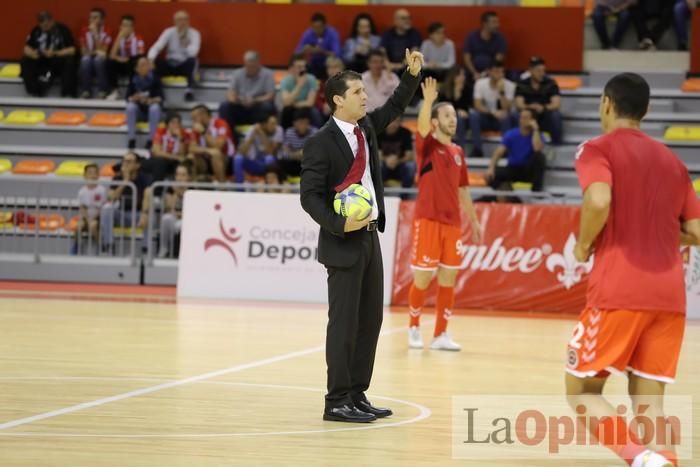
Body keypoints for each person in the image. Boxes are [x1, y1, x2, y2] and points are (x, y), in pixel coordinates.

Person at [565, 72, 700, 467]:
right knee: (648, 400)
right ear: (647, 110)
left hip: (620, 288)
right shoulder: (674, 162)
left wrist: (584, 243)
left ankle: (639, 458)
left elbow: (599, 199)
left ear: (605, 103)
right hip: (670, 295)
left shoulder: (596, 148)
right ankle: (664, 461)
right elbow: (695, 230)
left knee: (582, 392)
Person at [300, 49, 423, 423]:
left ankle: (357, 393)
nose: (366, 97)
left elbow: (393, 108)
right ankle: (336, 400)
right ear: (338, 100)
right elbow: (310, 197)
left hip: (370, 237)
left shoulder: (365, 128)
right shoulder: (320, 142)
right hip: (342, 242)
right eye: (358, 93)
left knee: (370, 321)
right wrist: (339, 225)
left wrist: (411, 75)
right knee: (344, 325)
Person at [407, 77, 482, 351]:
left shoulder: (458, 152)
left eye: (454, 116)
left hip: (453, 225)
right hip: (428, 220)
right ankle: (413, 328)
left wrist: (473, 220)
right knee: (423, 278)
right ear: (436, 122)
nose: (454, 120)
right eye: (447, 115)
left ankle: (440, 335)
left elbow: (463, 189)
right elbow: (423, 126)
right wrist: (427, 102)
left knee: (448, 279)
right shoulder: (427, 147)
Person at [100, 152, 152, 251]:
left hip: (137, 215)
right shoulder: (117, 177)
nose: (125, 164)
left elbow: (147, 194)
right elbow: (111, 198)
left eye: (129, 161)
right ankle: (109, 244)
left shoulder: (145, 177)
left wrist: (144, 213)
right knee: (107, 209)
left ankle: (146, 249)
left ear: (137, 165)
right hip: (121, 214)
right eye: (124, 161)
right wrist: (125, 181)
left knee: (149, 216)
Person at [486, 108, 546, 192]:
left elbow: (537, 148)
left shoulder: (538, 135)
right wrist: (491, 167)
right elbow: (499, 152)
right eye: (521, 117)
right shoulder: (511, 134)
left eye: (525, 118)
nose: (522, 120)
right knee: (493, 175)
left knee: (540, 157)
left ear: (532, 120)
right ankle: (503, 194)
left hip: (528, 170)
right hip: (513, 168)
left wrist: (535, 129)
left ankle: (536, 193)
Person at [148, 10, 200, 102]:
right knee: (154, 62)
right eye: (179, 20)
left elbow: (193, 53)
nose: (182, 23)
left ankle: (189, 91)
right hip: (170, 63)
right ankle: (157, 93)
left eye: (184, 20)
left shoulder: (195, 34)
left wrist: (185, 44)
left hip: (184, 64)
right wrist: (151, 59)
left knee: (193, 61)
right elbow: (156, 47)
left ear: (188, 21)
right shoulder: (169, 32)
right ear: (175, 22)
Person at [21, 11, 77, 97]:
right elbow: (27, 47)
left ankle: (67, 93)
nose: (44, 28)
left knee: (70, 62)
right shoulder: (36, 30)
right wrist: (32, 54)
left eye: (46, 25)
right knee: (25, 60)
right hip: (41, 59)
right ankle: (34, 91)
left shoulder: (62, 30)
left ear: (52, 21)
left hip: (57, 59)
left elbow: (72, 50)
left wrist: (55, 53)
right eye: (42, 25)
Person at [218, 50, 276, 129]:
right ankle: (230, 136)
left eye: (253, 65)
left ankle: (262, 135)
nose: (250, 68)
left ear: (258, 63)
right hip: (241, 106)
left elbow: (271, 95)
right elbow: (230, 93)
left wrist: (255, 100)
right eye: (248, 65)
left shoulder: (268, 74)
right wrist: (237, 100)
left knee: (267, 106)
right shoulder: (237, 73)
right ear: (244, 63)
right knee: (225, 106)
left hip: (258, 107)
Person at [470, 60, 515, 159]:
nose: (499, 75)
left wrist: (502, 92)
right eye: (496, 72)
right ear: (489, 72)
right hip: (486, 117)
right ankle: (477, 149)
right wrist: (492, 112)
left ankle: (505, 151)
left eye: (501, 72)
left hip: (501, 119)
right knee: (474, 116)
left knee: (506, 117)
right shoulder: (480, 84)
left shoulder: (510, 85)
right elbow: (477, 105)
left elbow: (508, 108)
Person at [515, 56, 563, 145]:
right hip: (528, 114)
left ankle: (556, 143)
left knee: (556, 115)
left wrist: (543, 107)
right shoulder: (522, 84)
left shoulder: (551, 83)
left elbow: (556, 104)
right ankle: (516, 142)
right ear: (530, 71)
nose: (542, 73)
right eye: (538, 71)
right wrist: (530, 107)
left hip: (545, 113)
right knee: (515, 115)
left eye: (543, 70)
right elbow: (519, 104)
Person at [189, 104, 235, 183]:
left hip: (226, 158)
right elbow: (191, 148)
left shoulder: (221, 123)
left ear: (203, 115)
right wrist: (208, 151)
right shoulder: (196, 128)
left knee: (216, 154)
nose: (193, 121)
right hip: (207, 158)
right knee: (191, 156)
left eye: (194, 118)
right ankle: (193, 187)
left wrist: (203, 132)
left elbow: (219, 146)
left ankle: (222, 188)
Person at [125, 56, 163, 150]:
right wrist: (135, 98)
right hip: (139, 112)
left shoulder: (155, 78)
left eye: (147, 64)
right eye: (142, 65)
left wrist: (150, 100)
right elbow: (127, 97)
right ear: (136, 69)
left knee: (155, 108)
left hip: (152, 110)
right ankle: (131, 139)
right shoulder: (133, 79)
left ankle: (151, 140)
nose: (146, 67)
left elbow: (161, 98)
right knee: (130, 107)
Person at [234, 112, 283, 184]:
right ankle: (239, 189)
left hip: (267, 164)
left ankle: (269, 187)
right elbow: (242, 151)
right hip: (253, 162)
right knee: (238, 158)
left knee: (269, 158)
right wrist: (252, 136)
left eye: (275, 123)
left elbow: (270, 151)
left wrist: (261, 134)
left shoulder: (278, 130)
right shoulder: (253, 129)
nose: (274, 126)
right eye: (271, 124)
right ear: (264, 124)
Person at [157, 163, 191, 259]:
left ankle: (183, 252)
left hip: (187, 219)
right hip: (175, 218)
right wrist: (176, 192)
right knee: (166, 218)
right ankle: (164, 249)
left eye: (183, 175)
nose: (180, 178)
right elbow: (169, 208)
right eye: (178, 175)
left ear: (188, 177)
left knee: (181, 224)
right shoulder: (170, 190)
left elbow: (191, 211)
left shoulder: (192, 189)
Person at [107, 15, 145, 100]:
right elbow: (112, 55)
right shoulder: (118, 38)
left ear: (132, 28)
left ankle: (131, 92)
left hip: (132, 65)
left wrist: (126, 59)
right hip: (122, 64)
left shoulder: (138, 38)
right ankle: (114, 91)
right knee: (110, 62)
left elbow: (140, 56)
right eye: (123, 25)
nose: (125, 28)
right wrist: (119, 37)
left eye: (127, 25)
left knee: (134, 61)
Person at [73, 163, 107, 255]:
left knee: (93, 225)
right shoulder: (82, 191)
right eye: (90, 173)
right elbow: (82, 208)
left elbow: (102, 207)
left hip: (98, 218)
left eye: (95, 173)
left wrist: (94, 219)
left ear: (98, 175)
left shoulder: (101, 190)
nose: (92, 175)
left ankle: (101, 245)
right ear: (84, 175)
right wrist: (88, 219)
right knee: (78, 226)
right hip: (86, 218)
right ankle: (75, 247)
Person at [295, 13, 341, 80]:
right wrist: (304, 50)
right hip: (312, 64)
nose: (317, 30)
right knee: (300, 66)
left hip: (327, 65)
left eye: (319, 27)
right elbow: (296, 53)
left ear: (325, 25)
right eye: (314, 27)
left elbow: (337, 54)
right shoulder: (308, 33)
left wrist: (322, 51)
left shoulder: (332, 33)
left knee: (334, 66)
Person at [280, 54, 321, 129]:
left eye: (304, 66)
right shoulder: (286, 81)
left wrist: (294, 104)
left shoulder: (311, 79)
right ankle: (285, 136)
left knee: (315, 112)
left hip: (306, 108)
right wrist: (299, 86)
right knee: (286, 111)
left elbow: (310, 103)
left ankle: (318, 136)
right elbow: (286, 102)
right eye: (299, 67)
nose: (303, 70)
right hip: (291, 109)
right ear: (291, 69)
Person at [78, 7, 112, 99]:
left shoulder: (108, 31)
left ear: (102, 20)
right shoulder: (84, 30)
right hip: (89, 58)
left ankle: (103, 91)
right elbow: (83, 52)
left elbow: (104, 52)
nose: (92, 20)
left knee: (98, 60)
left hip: (103, 61)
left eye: (95, 17)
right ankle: (86, 91)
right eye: (91, 18)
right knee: (85, 60)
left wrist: (95, 34)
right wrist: (96, 52)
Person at [463, 11, 507, 81]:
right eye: (494, 22)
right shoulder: (471, 37)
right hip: (472, 72)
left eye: (497, 22)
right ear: (485, 24)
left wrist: (485, 74)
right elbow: (467, 58)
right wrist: (475, 73)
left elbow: (498, 60)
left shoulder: (500, 39)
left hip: (491, 72)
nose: (497, 25)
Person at [149, 112, 191, 182]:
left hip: (174, 162)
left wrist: (180, 138)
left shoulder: (184, 134)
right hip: (160, 161)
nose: (176, 125)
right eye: (173, 123)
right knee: (160, 162)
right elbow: (157, 152)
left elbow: (182, 154)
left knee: (183, 165)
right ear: (167, 124)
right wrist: (176, 157)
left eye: (178, 123)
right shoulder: (160, 132)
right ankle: (157, 190)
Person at [280, 108, 317, 181]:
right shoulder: (289, 132)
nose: (302, 125)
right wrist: (296, 154)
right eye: (300, 122)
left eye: (305, 122)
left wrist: (304, 154)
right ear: (294, 123)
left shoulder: (314, 132)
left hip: (308, 162)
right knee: (282, 162)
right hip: (294, 162)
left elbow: (316, 152)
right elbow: (285, 152)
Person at [439, 66, 472, 150]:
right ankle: (460, 149)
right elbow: (443, 107)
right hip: (448, 118)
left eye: (463, 75)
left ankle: (473, 149)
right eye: (460, 75)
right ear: (454, 77)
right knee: (458, 119)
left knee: (465, 118)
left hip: (465, 119)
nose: (463, 77)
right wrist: (456, 111)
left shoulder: (467, 88)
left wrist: (459, 94)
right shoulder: (444, 90)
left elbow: (469, 106)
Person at [380, 9, 422, 74]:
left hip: (407, 67)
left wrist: (402, 65)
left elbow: (414, 51)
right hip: (388, 67)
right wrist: (387, 63)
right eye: (403, 18)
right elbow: (382, 50)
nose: (407, 20)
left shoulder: (414, 34)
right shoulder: (388, 33)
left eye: (409, 18)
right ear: (395, 20)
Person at [378, 117, 414, 191]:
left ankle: (405, 197)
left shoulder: (406, 133)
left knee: (410, 166)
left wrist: (397, 161)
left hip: (400, 165)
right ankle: (378, 195)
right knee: (378, 165)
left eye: (397, 121)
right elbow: (377, 155)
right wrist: (387, 160)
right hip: (384, 165)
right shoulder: (379, 132)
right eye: (392, 121)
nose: (394, 124)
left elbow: (409, 156)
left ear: (400, 122)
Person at [318, 56, 346, 122]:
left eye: (335, 67)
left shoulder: (347, 83)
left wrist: (332, 106)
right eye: (329, 67)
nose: (332, 70)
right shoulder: (322, 83)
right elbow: (318, 100)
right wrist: (322, 106)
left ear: (341, 68)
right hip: (325, 112)